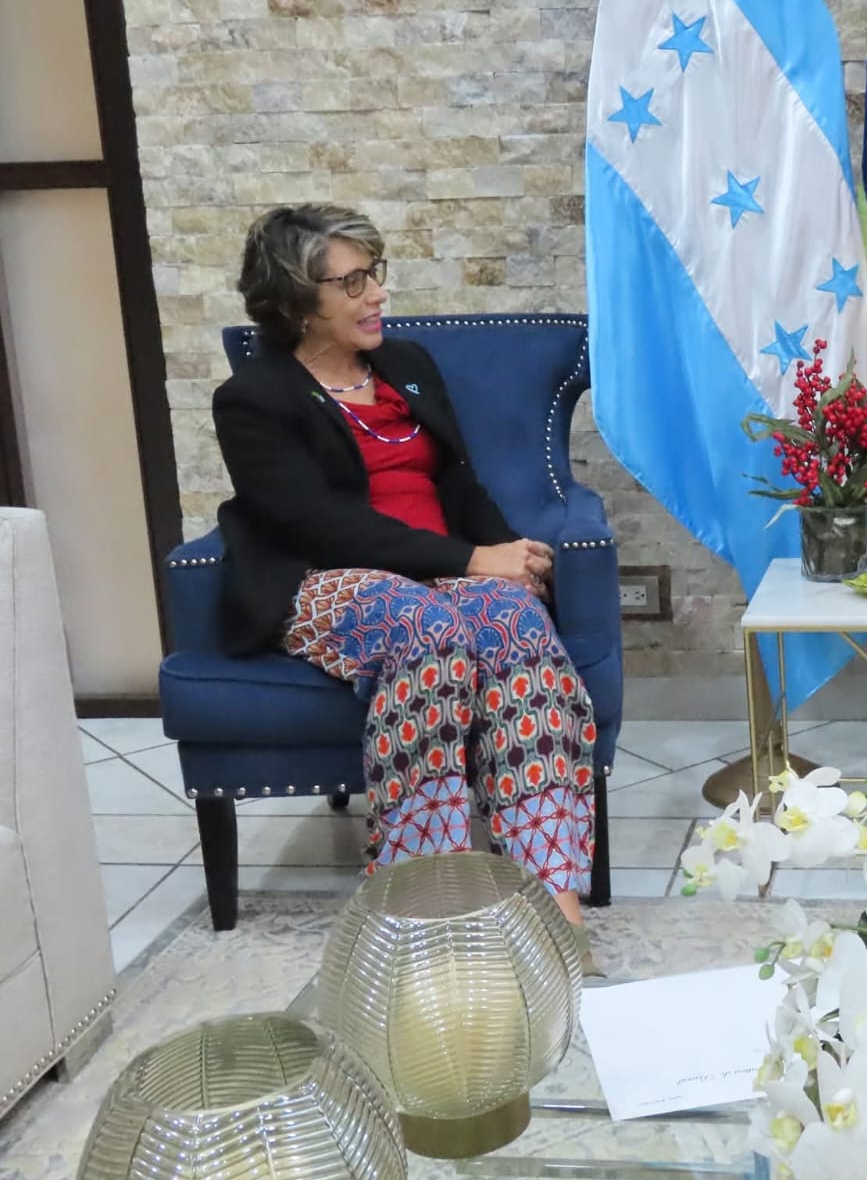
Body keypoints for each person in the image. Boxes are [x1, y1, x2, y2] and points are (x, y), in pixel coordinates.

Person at [214, 204, 599, 953]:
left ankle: (554, 903)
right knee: (425, 628)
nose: (375, 294)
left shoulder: (407, 368)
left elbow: (460, 484)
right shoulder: (254, 399)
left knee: (516, 625)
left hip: (442, 571)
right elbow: (315, 524)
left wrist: (506, 551)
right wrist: (470, 562)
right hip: (325, 579)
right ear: (297, 299)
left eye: (375, 273)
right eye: (350, 281)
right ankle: (425, 905)